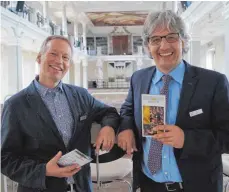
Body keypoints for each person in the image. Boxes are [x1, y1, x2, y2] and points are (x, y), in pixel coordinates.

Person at [117, 10, 229, 192]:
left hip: (197, 185)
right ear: (147, 46)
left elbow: (226, 136)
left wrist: (186, 139)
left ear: (183, 41)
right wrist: (126, 127)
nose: (163, 46)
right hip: (149, 183)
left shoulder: (213, 82)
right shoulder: (139, 78)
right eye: (155, 39)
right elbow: (128, 109)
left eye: (171, 37)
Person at [1, 35, 120, 192]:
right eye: (53, 54)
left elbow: (109, 112)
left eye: (65, 57)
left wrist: (108, 127)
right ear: (39, 58)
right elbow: (5, 159)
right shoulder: (16, 105)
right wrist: (44, 170)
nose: (59, 61)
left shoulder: (80, 95)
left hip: (81, 186)